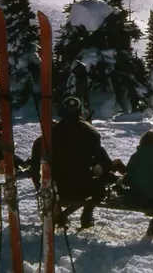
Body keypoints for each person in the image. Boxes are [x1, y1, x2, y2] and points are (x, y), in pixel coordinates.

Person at [51, 96, 114, 229]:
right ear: (80, 112)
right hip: (82, 187)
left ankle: (61, 215)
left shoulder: (52, 132)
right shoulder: (90, 132)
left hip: (57, 186)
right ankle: (86, 215)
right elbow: (103, 161)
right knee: (100, 188)